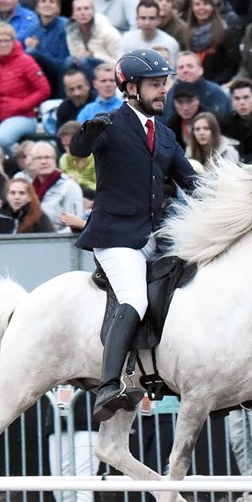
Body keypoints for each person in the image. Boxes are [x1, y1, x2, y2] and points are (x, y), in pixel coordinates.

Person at [69, 49, 195, 421]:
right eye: (156, 85)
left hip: (156, 236)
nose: (163, 91)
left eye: (164, 84)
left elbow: (191, 183)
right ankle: (108, 385)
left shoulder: (167, 135)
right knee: (135, 299)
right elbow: (79, 148)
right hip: (116, 237)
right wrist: (87, 132)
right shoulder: (109, 123)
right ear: (131, 87)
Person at [0, 22, 52, 152]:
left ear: (13, 41)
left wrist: (23, 105)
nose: (3, 44)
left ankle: (12, 164)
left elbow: (44, 90)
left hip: (23, 115)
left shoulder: (26, 61)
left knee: (0, 139)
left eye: (7, 40)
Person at [18, 141, 84, 232]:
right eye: (38, 158)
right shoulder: (29, 189)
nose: (44, 162)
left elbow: (76, 224)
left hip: (59, 240)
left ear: (54, 160)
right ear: (31, 163)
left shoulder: (69, 186)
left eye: (48, 157)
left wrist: (54, 239)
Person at [181, 0, 240, 85]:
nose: (201, 8)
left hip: (217, 84)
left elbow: (232, 66)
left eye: (205, 4)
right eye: (197, 4)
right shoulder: (187, 33)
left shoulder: (225, 33)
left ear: (213, 7)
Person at [64, 0, 122, 82]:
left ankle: (94, 93)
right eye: (78, 9)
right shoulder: (71, 33)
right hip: (83, 69)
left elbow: (119, 62)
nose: (83, 13)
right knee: (68, 61)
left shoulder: (108, 31)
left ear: (93, 11)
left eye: (86, 8)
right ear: (73, 14)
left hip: (109, 69)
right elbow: (75, 56)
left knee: (85, 61)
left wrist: (94, 55)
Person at [165, 52, 232, 120]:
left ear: (201, 70)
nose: (185, 70)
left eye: (190, 66)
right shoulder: (170, 94)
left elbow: (220, 120)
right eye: (181, 67)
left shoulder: (214, 93)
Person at [120, 0, 180, 64]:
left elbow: (172, 71)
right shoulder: (127, 39)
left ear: (158, 19)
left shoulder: (170, 43)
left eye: (152, 18)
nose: (147, 23)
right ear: (137, 19)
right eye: (143, 18)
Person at [57, 121, 96, 194]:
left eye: (69, 146)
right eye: (64, 146)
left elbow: (102, 186)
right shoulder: (64, 159)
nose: (67, 150)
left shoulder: (97, 158)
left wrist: (78, 180)